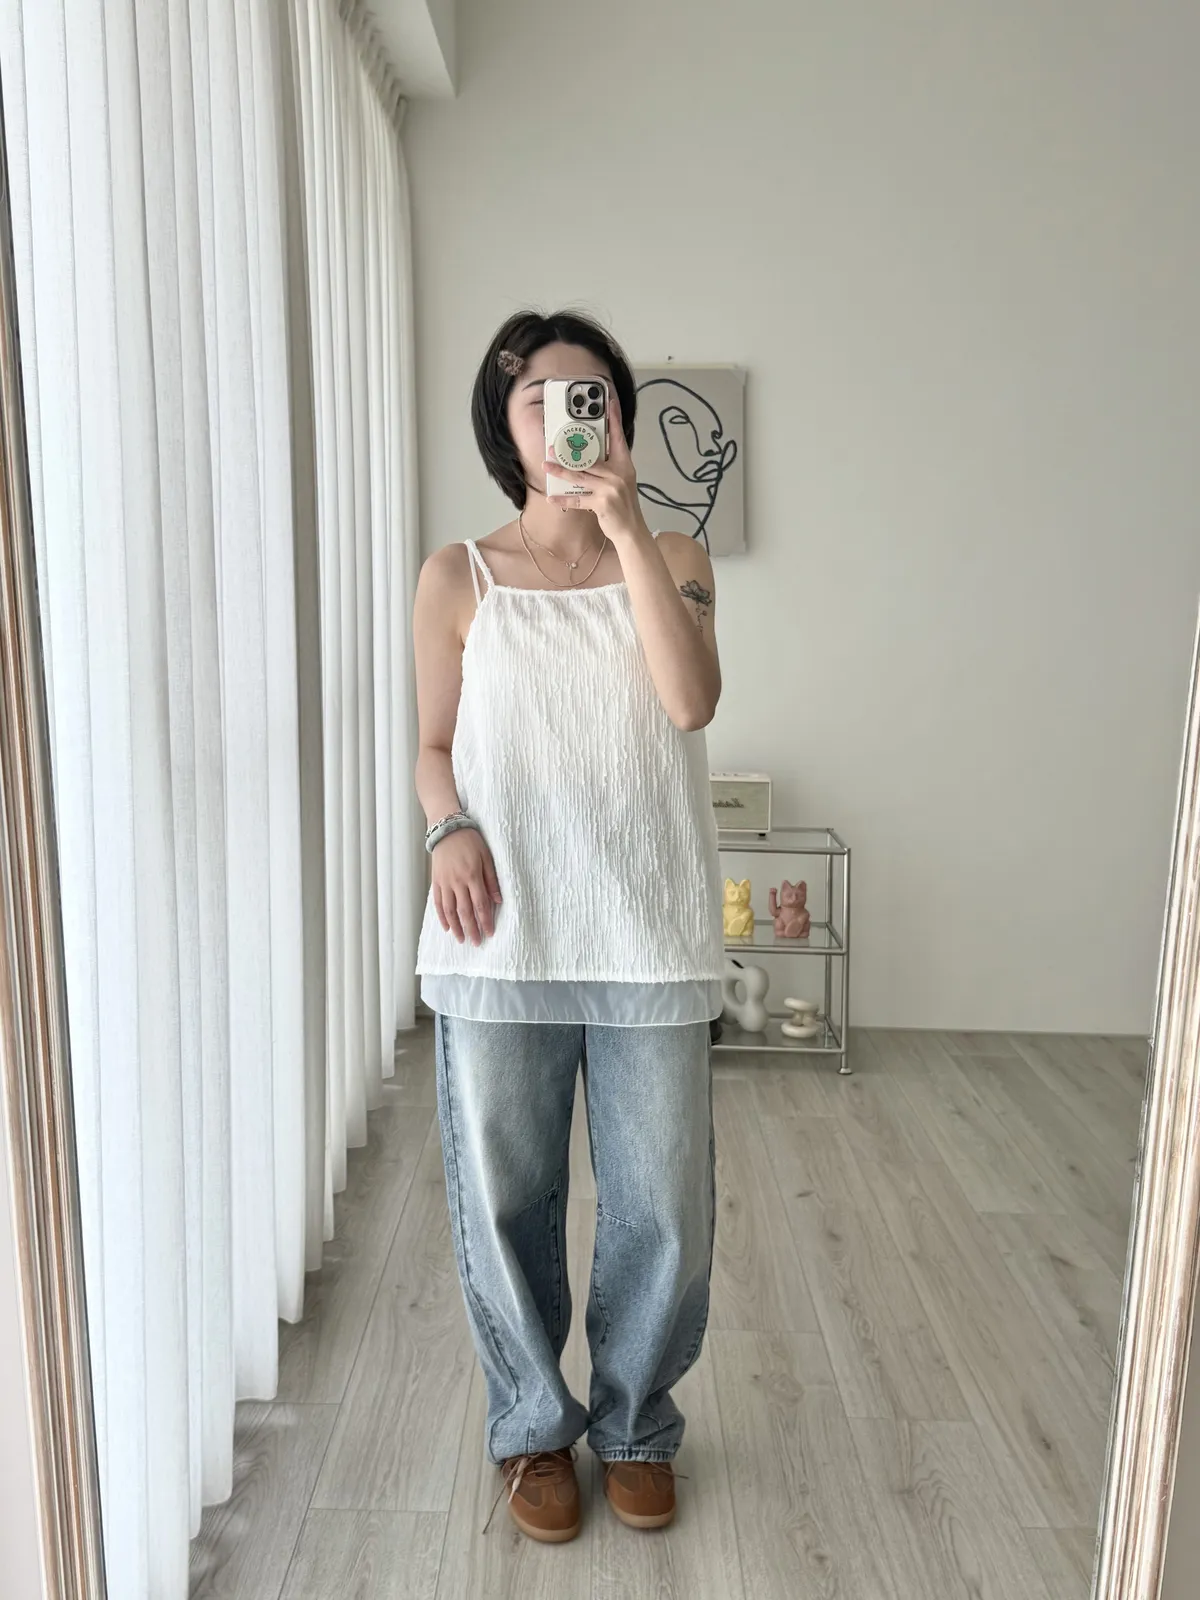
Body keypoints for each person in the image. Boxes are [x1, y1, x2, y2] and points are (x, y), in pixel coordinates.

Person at [412, 309, 725, 1543]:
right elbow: (433, 745)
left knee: (664, 1203)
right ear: (505, 424)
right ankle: (533, 1426)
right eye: (537, 397)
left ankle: (636, 1422)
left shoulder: (677, 552)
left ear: (620, 419)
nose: (563, 416)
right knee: (508, 1196)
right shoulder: (459, 575)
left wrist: (627, 527)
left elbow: (690, 702)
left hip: (648, 929)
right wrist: (447, 825)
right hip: (503, 931)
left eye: (587, 394)